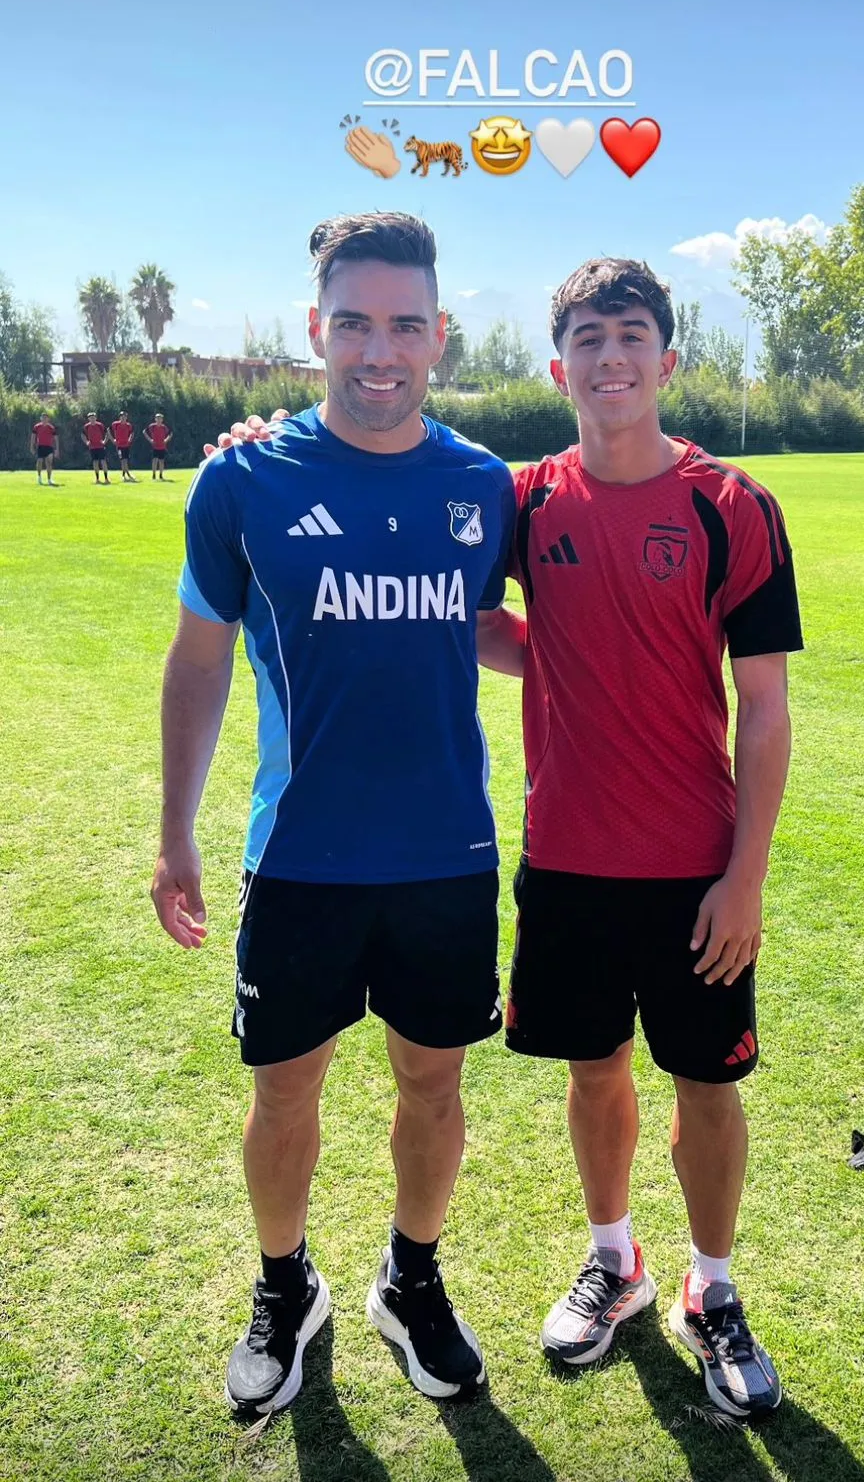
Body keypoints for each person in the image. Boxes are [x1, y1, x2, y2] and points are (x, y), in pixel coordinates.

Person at [229, 255, 803, 1420]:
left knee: (705, 1084)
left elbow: (770, 705)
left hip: (697, 864)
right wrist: (255, 450)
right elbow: (456, 595)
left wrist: (746, 875)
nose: (610, 357)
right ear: (558, 366)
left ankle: (714, 1286)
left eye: (630, 334)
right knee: (595, 1074)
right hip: (568, 860)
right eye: (587, 338)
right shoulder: (523, 497)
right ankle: (615, 1262)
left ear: (667, 358)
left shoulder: (731, 505)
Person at [150, 211, 517, 1420]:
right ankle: (283, 1286)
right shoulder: (242, 477)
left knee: (433, 1083)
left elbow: (502, 628)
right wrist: (175, 830)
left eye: (404, 324)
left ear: (438, 336)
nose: (379, 348)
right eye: (353, 321)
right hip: (300, 857)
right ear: (317, 329)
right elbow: (200, 662)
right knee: (285, 1090)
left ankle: (410, 1281)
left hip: (446, 861)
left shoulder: (480, 486)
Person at [30, 415, 59, 483]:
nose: (44, 419)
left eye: (46, 418)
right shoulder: (36, 427)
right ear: (40, 418)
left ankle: (49, 479)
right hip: (40, 446)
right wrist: (31, 447)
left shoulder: (51, 427)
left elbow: (56, 438)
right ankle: (39, 477)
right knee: (39, 462)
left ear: (48, 419)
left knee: (49, 463)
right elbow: (33, 437)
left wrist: (57, 449)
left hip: (49, 447)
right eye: (43, 418)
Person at [83, 412, 110, 483]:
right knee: (95, 462)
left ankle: (106, 478)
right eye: (90, 418)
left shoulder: (100, 425)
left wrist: (104, 441)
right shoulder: (86, 426)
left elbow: (107, 432)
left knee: (103, 461)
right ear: (88, 419)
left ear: (96, 418)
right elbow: (82, 435)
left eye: (93, 417)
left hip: (100, 446)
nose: (92, 419)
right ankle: (97, 479)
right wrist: (86, 442)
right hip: (92, 447)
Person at [144, 413, 172, 478]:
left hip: (162, 446)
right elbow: (144, 432)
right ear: (155, 419)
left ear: (162, 420)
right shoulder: (152, 426)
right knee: (154, 460)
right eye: (157, 418)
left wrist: (166, 440)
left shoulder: (164, 427)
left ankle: (161, 475)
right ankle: (153, 474)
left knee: (161, 461)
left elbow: (170, 434)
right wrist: (150, 440)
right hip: (155, 446)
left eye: (160, 418)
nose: (159, 420)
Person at [110, 411, 135, 480]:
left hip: (126, 445)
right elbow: (108, 431)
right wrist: (113, 440)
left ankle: (126, 475)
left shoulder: (128, 425)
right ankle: (125, 475)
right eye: (122, 416)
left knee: (125, 460)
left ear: (126, 417)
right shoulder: (115, 424)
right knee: (122, 460)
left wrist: (130, 439)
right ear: (119, 417)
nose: (123, 418)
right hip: (119, 446)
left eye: (124, 416)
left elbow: (132, 433)